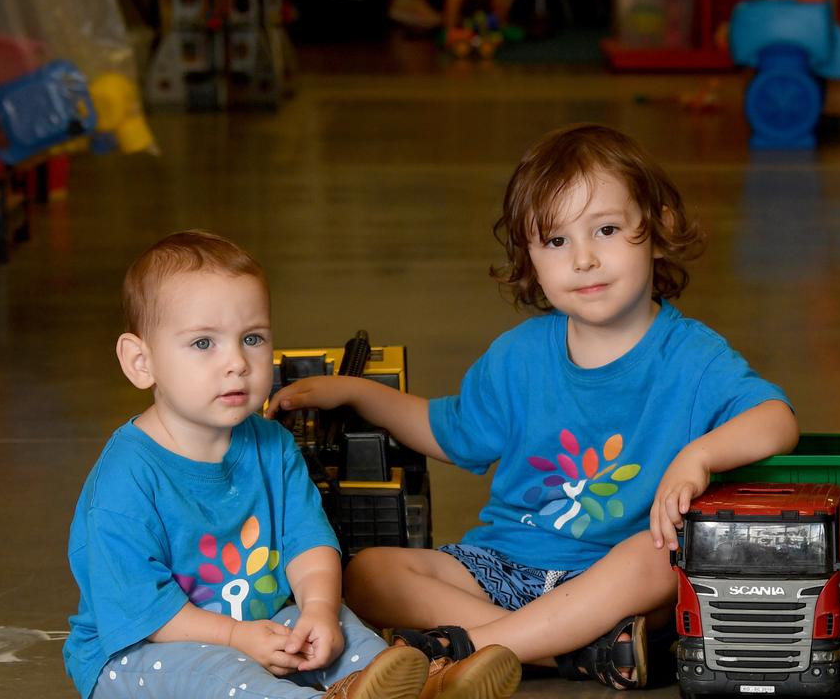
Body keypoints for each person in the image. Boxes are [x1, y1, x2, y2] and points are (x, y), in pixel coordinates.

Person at [266, 124, 799, 690]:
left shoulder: (691, 356)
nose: (584, 259)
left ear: (659, 230)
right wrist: (357, 392)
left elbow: (777, 419)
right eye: (556, 241)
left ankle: (470, 648)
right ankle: (568, 652)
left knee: (663, 555)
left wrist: (700, 454)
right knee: (369, 572)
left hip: (608, 579)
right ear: (530, 258)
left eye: (608, 229)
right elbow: (449, 432)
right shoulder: (518, 355)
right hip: (501, 566)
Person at [64, 230, 522, 699]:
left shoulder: (271, 445)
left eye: (252, 338)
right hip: (143, 653)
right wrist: (235, 637)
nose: (237, 363)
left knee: (344, 631)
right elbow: (148, 611)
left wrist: (320, 610)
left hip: (258, 626)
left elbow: (308, 541)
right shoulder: (124, 482)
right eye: (204, 343)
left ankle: (426, 686)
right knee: (220, 675)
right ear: (141, 362)